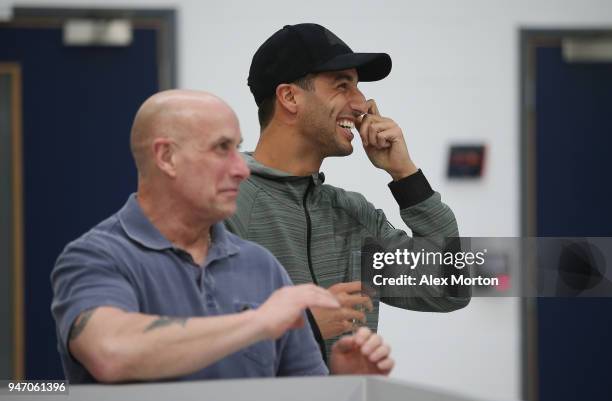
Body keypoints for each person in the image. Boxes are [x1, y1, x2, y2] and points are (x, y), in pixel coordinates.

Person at [50, 90, 394, 384]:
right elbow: (110, 350)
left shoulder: (262, 267)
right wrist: (258, 322)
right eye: (221, 149)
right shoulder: (97, 257)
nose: (241, 168)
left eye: (237, 148)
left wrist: (344, 386)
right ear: (166, 157)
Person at [225, 23, 471, 356]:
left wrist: (406, 175)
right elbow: (196, 336)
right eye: (343, 85)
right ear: (289, 97)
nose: (362, 104)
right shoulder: (224, 203)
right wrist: (304, 325)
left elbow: (449, 288)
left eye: (358, 87)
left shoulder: (354, 215)